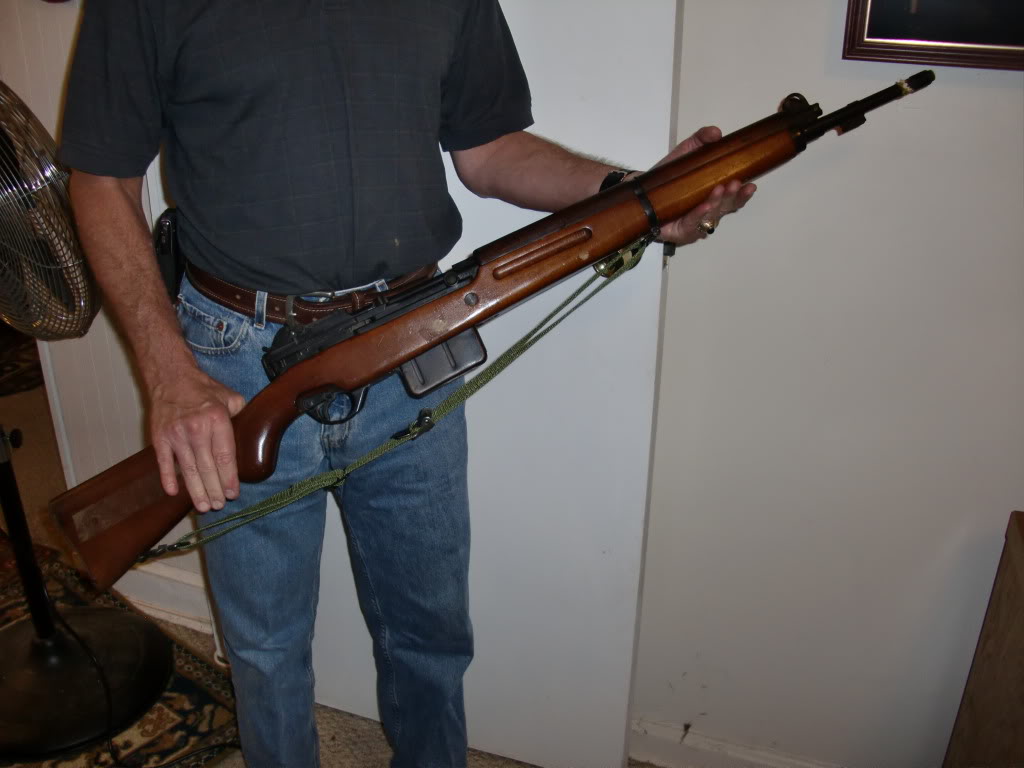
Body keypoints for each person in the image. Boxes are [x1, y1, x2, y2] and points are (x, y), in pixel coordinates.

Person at [59, 1, 754, 765]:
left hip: (411, 348)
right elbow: (101, 181)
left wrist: (640, 195)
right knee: (265, 651)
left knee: (431, 635)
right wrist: (168, 375)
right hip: (233, 363)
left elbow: (490, 149)